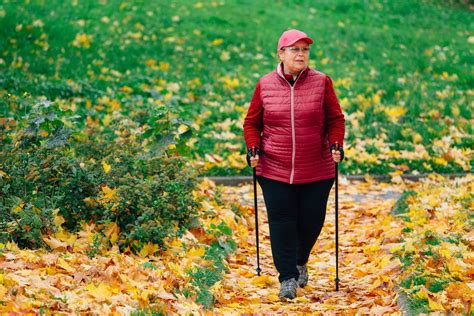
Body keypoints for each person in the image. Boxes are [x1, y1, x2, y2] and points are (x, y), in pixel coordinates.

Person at [243, 29, 345, 300]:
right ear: (281, 54)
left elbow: (336, 119)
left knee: (312, 220)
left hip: (317, 167)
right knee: (282, 221)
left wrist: (336, 143)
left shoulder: (322, 82)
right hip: (274, 167)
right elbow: (252, 122)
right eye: (294, 49)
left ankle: (301, 260)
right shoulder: (265, 84)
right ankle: (287, 277)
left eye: (305, 50)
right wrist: (252, 147)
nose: (301, 54)